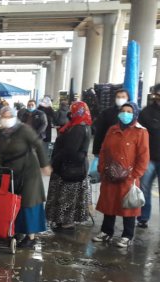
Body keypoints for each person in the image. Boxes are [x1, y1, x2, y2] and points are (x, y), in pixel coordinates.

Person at [0, 106, 52, 249]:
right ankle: (16, 230)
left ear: (14, 116)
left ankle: (31, 237)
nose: (6, 119)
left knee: (28, 202)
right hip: (9, 172)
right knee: (11, 201)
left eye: (9, 116)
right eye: (4, 116)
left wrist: (45, 165)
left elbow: (38, 145)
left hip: (29, 171)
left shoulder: (24, 130)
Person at [93, 102, 150, 248]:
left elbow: (143, 156)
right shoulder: (112, 129)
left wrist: (135, 174)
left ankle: (127, 235)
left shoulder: (141, 132)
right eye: (123, 111)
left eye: (129, 111)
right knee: (109, 203)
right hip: (110, 174)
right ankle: (106, 232)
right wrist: (102, 168)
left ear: (135, 114)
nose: (125, 113)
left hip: (128, 177)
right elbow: (104, 149)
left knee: (128, 205)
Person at [46, 101, 93, 231]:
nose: (70, 113)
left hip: (69, 167)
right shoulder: (78, 125)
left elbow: (69, 150)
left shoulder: (78, 128)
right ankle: (63, 221)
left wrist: (54, 161)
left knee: (67, 196)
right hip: (72, 166)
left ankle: (66, 223)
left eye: (73, 110)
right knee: (67, 195)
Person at [137, 85, 160, 228]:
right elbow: (139, 134)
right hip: (149, 158)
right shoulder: (146, 112)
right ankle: (143, 218)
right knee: (144, 188)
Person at [92, 89, 130, 157]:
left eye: (123, 97)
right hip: (109, 149)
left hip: (127, 150)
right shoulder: (107, 113)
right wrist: (96, 151)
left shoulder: (134, 114)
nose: (120, 99)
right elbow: (100, 133)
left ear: (128, 98)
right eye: (118, 97)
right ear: (115, 98)